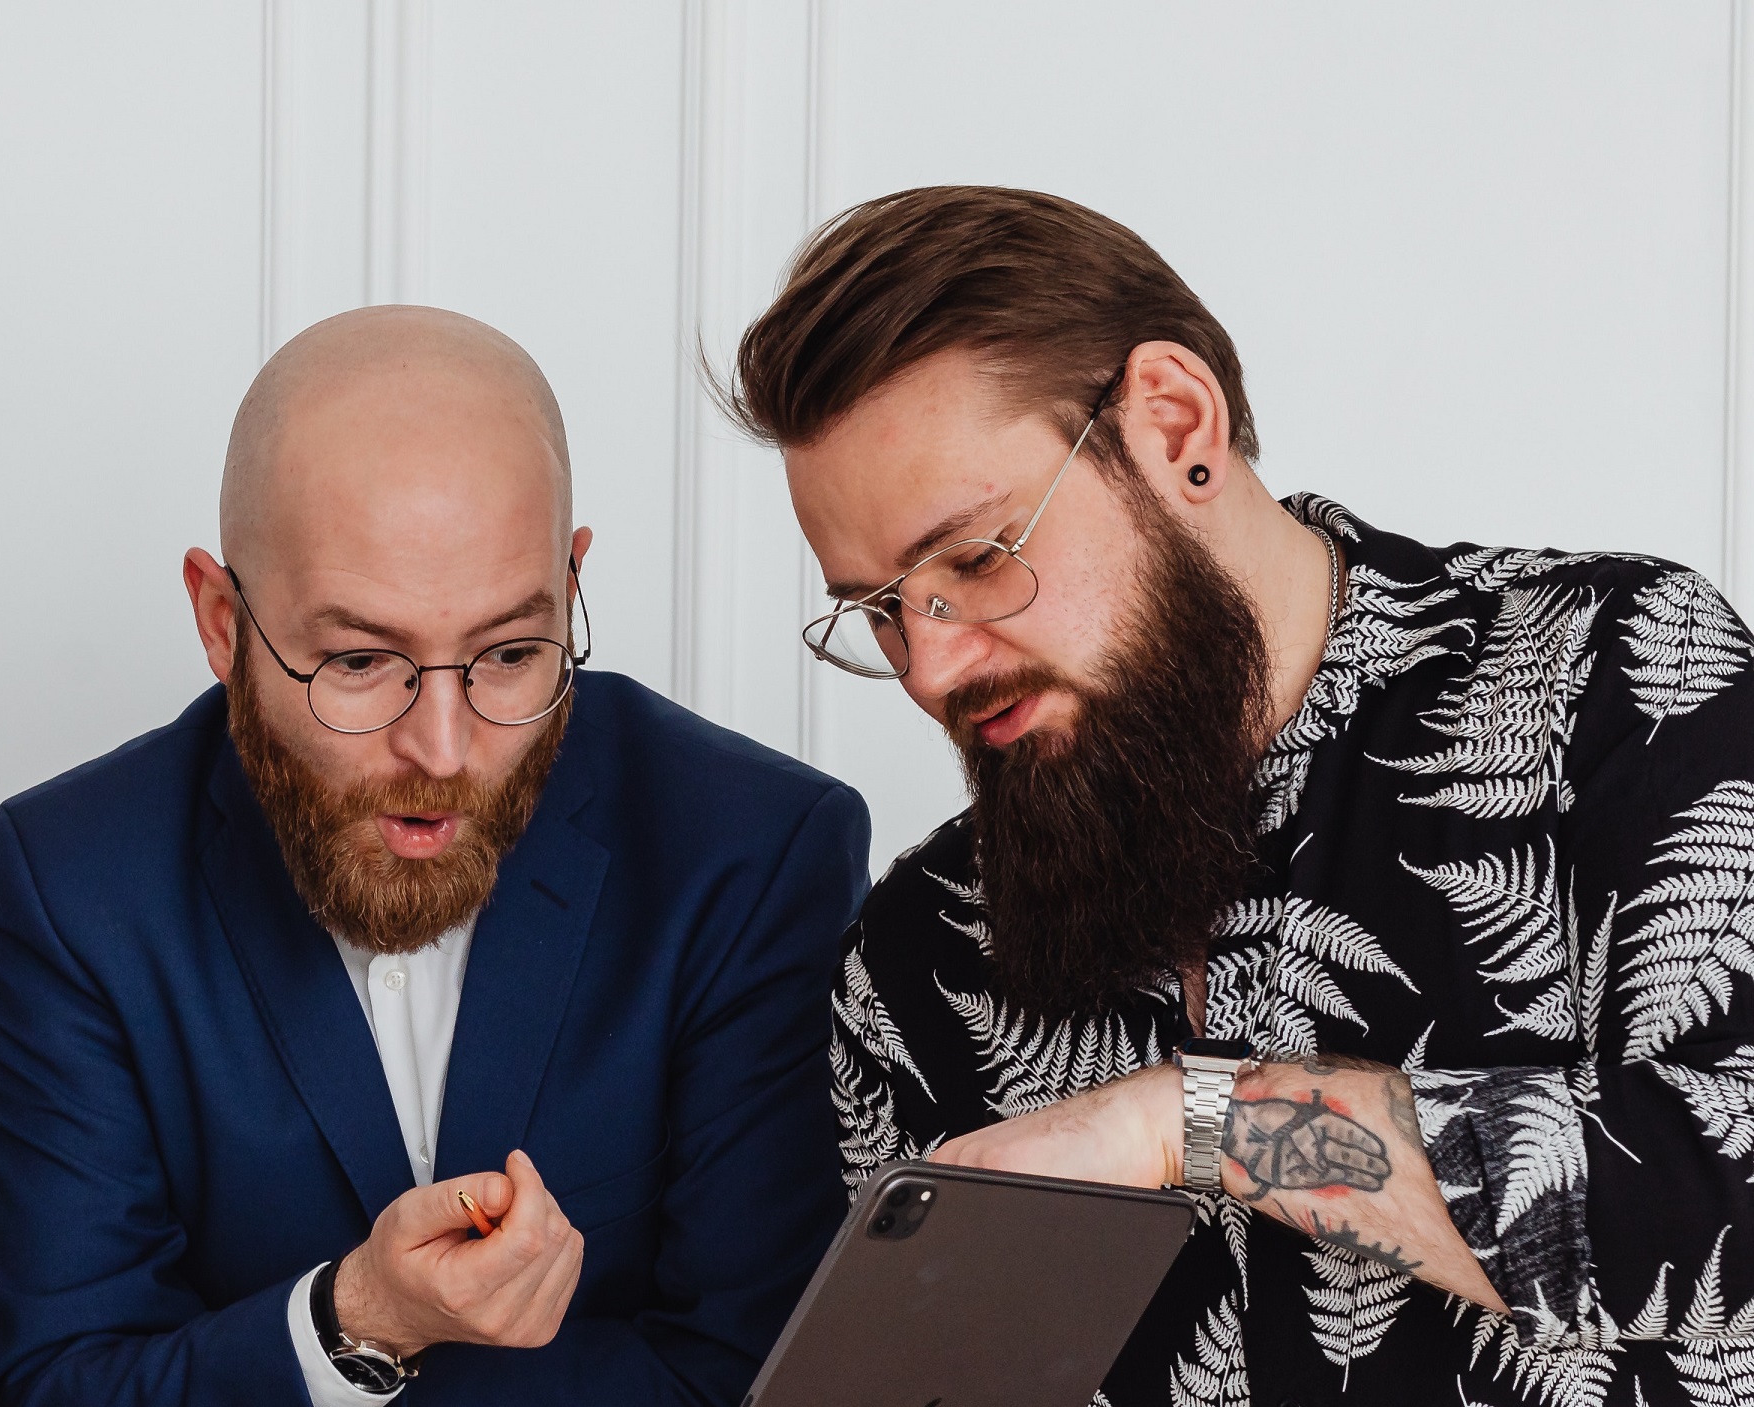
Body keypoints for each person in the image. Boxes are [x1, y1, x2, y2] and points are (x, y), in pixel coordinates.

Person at [725, 185, 1754, 1405]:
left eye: (978, 557)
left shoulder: (1617, 672)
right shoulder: (912, 964)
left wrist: (1190, 1122)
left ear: (1174, 425)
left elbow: (1722, 1200)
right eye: (880, 608)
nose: (932, 664)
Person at [0, 305, 870, 1406]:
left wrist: (218, 1365)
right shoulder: (74, 880)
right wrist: (354, 1321)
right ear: (222, 623)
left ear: (570, 591)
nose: (442, 747)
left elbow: (753, 1384)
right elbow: (48, 1389)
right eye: (362, 660)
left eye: (511, 652)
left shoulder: (755, 854)